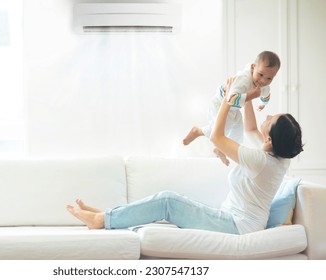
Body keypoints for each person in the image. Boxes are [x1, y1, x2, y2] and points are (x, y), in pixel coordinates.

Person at [66, 77, 303, 235]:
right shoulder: (278, 157)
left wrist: (228, 100)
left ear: (270, 139)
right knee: (170, 202)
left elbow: (217, 138)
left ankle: (101, 221)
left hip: (236, 226)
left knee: (167, 201)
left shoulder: (260, 161)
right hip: (234, 220)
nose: (268, 116)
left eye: (271, 119)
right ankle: (107, 216)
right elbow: (251, 129)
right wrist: (247, 94)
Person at [183, 51, 281, 166]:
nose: (263, 81)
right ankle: (198, 131)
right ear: (253, 67)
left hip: (234, 109)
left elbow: (266, 94)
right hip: (220, 104)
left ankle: (222, 150)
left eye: (269, 78)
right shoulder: (243, 80)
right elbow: (230, 99)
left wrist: (263, 103)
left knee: (238, 131)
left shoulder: (263, 85)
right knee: (220, 128)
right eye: (260, 75)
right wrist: (250, 96)